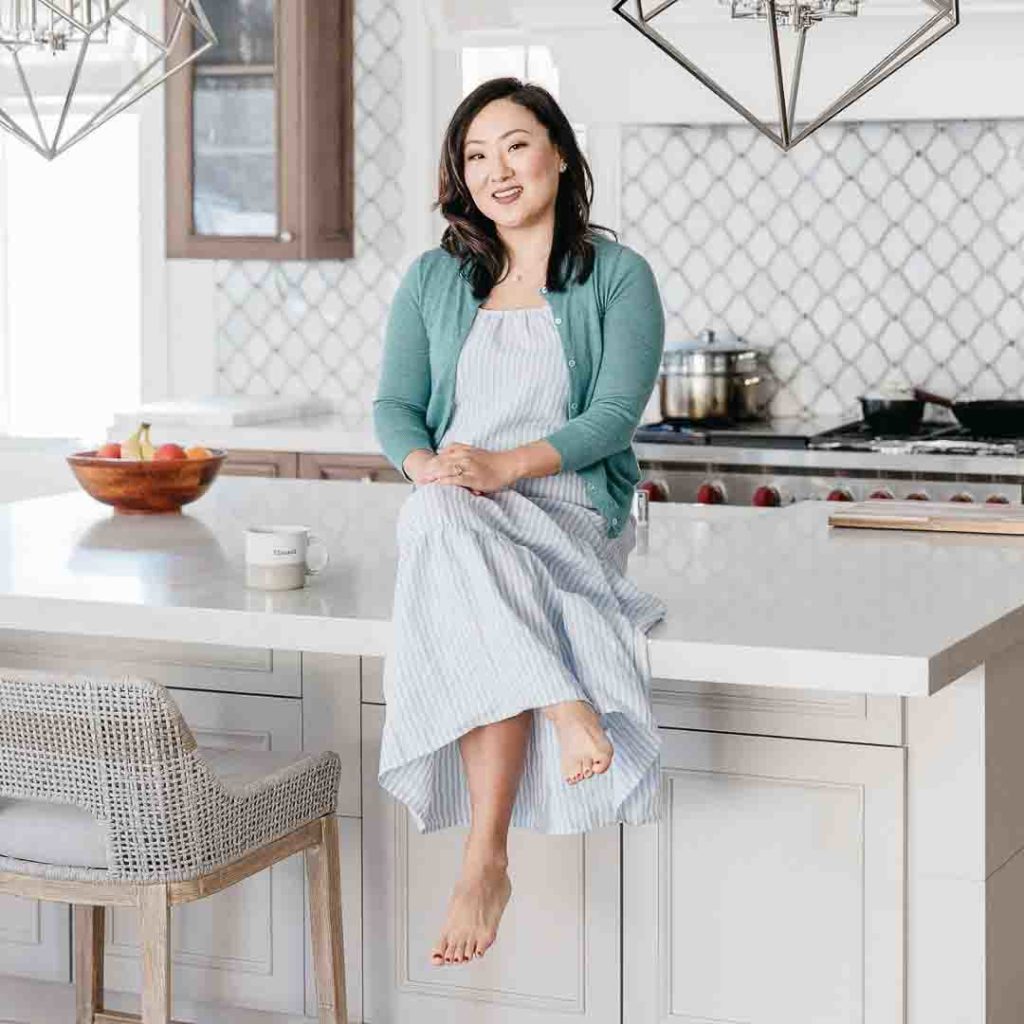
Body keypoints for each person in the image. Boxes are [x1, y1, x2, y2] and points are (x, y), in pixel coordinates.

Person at [372, 76, 667, 969]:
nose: (495, 169)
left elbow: (614, 416)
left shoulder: (618, 277)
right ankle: (550, 735)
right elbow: (394, 408)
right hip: (455, 506)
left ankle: (485, 853)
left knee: (451, 551)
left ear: (560, 155)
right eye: (474, 154)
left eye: (513, 144)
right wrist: (433, 468)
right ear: (460, 177)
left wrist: (502, 467)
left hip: (564, 506)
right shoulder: (433, 278)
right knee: (441, 519)